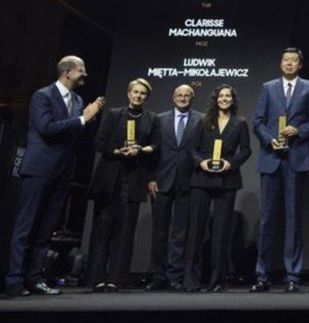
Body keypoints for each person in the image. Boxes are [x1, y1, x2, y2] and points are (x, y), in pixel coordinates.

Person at [5, 56, 104, 297]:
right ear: (67, 72)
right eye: (81, 70)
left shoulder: (78, 100)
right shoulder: (43, 96)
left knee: (47, 228)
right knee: (26, 226)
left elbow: (77, 134)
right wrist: (82, 118)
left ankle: (35, 278)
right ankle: (14, 279)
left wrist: (89, 119)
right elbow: (47, 128)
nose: (85, 74)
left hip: (63, 170)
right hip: (39, 169)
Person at [250, 48, 309, 293]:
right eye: (285, 60)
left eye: (293, 60)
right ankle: (263, 275)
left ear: (300, 64)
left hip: (296, 158)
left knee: (293, 219)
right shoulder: (268, 88)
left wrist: (298, 131)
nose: (289, 63)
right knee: (268, 219)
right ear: (281, 63)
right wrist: (270, 140)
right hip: (272, 158)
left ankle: (292, 276)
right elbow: (257, 122)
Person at [87, 78, 159, 292]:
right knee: (103, 228)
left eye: (143, 93)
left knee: (125, 231)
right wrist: (117, 151)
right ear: (129, 94)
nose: (138, 96)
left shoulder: (152, 119)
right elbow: (99, 142)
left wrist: (141, 149)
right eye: (135, 92)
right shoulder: (114, 114)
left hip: (134, 178)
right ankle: (97, 278)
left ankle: (115, 279)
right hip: (110, 178)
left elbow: (156, 146)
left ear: (147, 97)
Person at [183, 84, 251, 292]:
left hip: (227, 179)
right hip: (202, 178)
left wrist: (231, 163)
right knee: (196, 231)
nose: (224, 99)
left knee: (221, 234)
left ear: (233, 100)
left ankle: (217, 281)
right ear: (216, 99)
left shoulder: (240, 123)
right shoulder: (203, 120)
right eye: (221, 96)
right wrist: (201, 162)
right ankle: (191, 281)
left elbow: (245, 150)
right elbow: (192, 148)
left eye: (228, 96)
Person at [145, 85, 202, 291]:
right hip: (161, 181)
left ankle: (174, 275)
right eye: (179, 95)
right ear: (173, 97)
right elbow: (154, 150)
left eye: (187, 95)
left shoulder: (201, 120)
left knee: (180, 233)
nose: (183, 98)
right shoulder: (160, 119)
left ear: (192, 98)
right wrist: (151, 178)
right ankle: (157, 275)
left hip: (188, 182)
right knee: (159, 232)